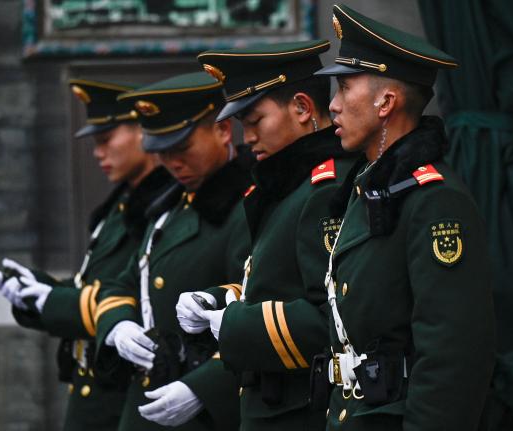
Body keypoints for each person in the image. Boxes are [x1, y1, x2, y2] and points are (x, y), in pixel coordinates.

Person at [311, 4, 496, 430]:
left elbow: (454, 355)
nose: (333, 106)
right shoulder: (370, 188)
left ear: (386, 102)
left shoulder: (434, 201)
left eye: (343, 89)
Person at [176, 40, 358, 430]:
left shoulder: (326, 187)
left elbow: (335, 318)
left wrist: (236, 324)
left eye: (255, 121)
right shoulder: (286, 185)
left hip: (303, 408)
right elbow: (277, 284)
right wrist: (220, 299)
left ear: (302, 108)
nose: (247, 138)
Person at [0, 78, 177, 431]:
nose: (97, 152)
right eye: (94, 143)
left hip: (127, 389)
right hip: (94, 385)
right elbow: (94, 283)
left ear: (142, 132)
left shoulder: (162, 205)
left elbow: (136, 297)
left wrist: (52, 301)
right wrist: (38, 290)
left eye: (106, 140)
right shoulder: (121, 205)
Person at [92, 71, 251, 431]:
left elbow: (256, 306)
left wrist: (205, 387)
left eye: (181, 148)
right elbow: (124, 282)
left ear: (223, 131)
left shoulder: (246, 205)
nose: (171, 163)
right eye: (161, 152)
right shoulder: (171, 206)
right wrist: (118, 326)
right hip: (148, 400)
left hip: (210, 411)